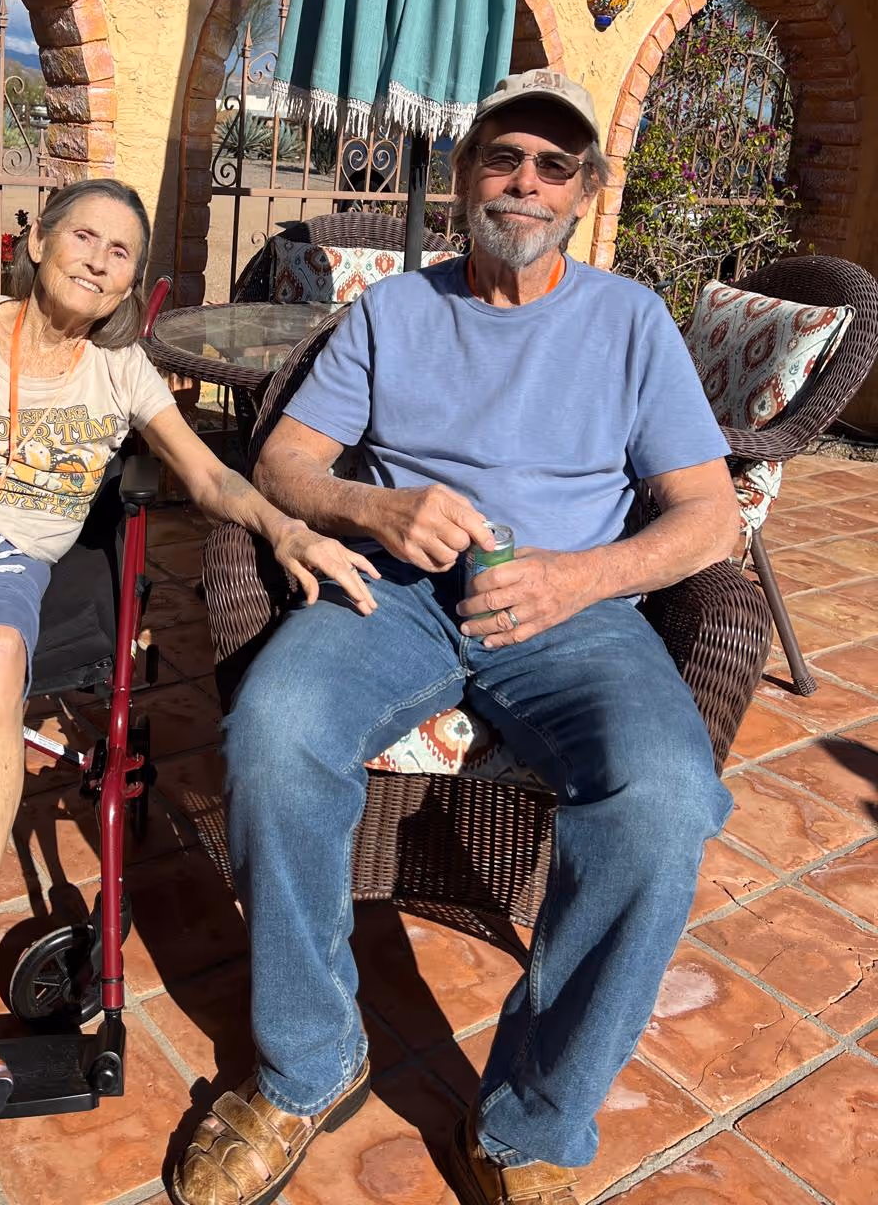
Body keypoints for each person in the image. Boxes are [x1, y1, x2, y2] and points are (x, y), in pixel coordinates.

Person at [173, 71, 740, 1205]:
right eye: (504, 157)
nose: (525, 183)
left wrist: (581, 576)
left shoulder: (631, 320)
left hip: (572, 615)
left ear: (581, 195)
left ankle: (530, 1123)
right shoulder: (392, 309)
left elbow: (710, 519)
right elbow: (285, 463)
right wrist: (379, 510)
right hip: (398, 595)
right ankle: (307, 1061)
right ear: (466, 172)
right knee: (274, 733)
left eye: (554, 166)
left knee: (667, 798)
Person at [0, 178, 379, 1147]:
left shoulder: (121, 369)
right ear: (39, 242)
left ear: (134, 279)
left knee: (0, 656)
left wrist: (284, 526)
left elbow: (208, 473)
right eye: (82, 236)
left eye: (120, 250)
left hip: (4, 568)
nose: (96, 257)